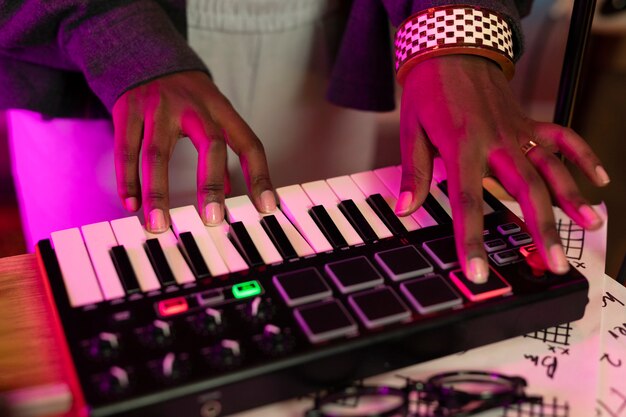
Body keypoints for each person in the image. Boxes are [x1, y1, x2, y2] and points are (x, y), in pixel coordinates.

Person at [0, 0, 610, 283]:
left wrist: (454, 24)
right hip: (83, 61)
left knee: (317, 295)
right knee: (105, 303)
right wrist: (119, 40)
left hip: (321, 37)